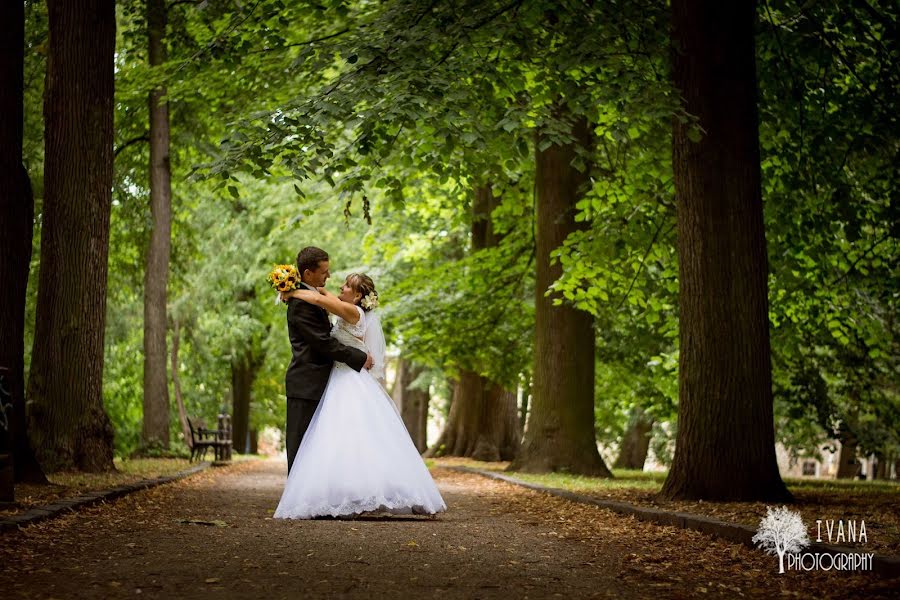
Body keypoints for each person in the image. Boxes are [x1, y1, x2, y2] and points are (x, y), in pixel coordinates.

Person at [274, 271, 447, 519]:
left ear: (357, 296)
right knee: (342, 439)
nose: (340, 287)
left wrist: (290, 293)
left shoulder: (354, 313)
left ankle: (367, 493)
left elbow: (321, 300)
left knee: (355, 435)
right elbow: (322, 294)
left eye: (347, 286)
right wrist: (290, 287)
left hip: (349, 379)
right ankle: (345, 493)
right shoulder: (347, 306)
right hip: (339, 377)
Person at [283, 246, 373, 473]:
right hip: (306, 383)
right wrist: (359, 357)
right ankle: (298, 502)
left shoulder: (315, 298)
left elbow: (322, 300)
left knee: (316, 446)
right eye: (324, 271)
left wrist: (290, 291)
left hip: (323, 382)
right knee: (300, 444)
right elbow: (323, 343)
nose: (330, 276)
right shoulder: (302, 305)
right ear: (307, 274)